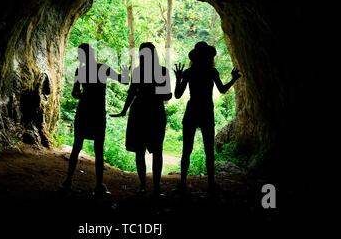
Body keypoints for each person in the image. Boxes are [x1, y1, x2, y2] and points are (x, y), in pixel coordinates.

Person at [61, 43, 128, 196]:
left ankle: (68, 181)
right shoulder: (103, 68)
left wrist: (83, 95)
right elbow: (124, 81)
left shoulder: (81, 70)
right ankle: (98, 185)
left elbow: (74, 93)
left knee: (76, 146)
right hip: (98, 113)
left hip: (83, 111)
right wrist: (125, 70)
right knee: (99, 149)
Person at [174, 41, 241, 192]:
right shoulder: (212, 72)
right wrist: (234, 79)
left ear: (195, 56)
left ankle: (183, 183)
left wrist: (178, 78)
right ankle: (211, 183)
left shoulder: (189, 72)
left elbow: (177, 95)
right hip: (206, 111)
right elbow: (222, 90)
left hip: (192, 110)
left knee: (186, 149)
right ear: (208, 56)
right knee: (209, 150)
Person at [111, 42, 172, 198]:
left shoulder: (139, 72)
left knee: (142, 151)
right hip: (155, 113)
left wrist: (125, 110)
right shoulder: (161, 71)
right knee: (155, 151)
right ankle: (153, 187)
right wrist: (124, 110)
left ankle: (144, 186)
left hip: (140, 112)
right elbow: (167, 96)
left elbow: (133, 92)